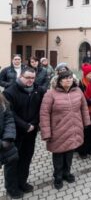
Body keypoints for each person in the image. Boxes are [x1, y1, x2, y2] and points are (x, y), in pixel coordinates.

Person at [40, 70, 90, 190]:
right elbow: (44, 114)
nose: (68, 80)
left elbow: (83, 107)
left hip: (74, 128)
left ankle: (66, 173)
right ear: (59, 81)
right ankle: (58, 176)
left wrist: (86, 122)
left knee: (69, 153)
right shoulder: (51, 94)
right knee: (58, 154)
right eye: (65, 78)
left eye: (70, 78)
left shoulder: (78, 91)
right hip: (58, 130)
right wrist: (46, 133)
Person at [3, 67, 46, 198]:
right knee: (13, 161)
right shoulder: (10, 91)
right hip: (15, 133)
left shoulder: (37, 89)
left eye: (32, 78)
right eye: (27, 77)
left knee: (26, 158)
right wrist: (25, 125)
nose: (30, 80)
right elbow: (9, 113)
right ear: (20, 76)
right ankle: (11, 188)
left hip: (31, 132)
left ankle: (22, 182)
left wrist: (33, 124)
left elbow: (41, 108)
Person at [0, 94, 19, 198]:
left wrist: (8, 138)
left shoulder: (2, 101)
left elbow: (9, 119)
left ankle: (11, 189)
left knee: (11, 169)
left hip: (6, 143)